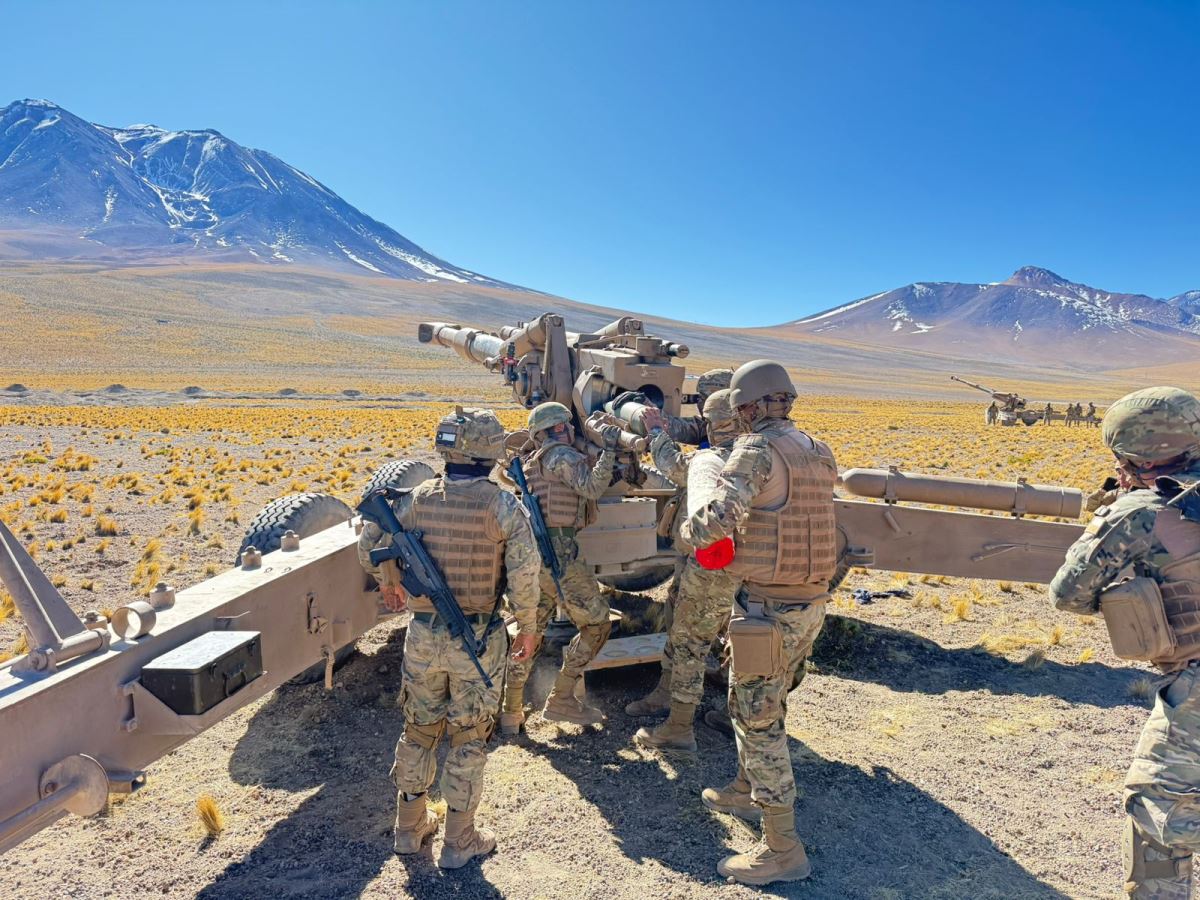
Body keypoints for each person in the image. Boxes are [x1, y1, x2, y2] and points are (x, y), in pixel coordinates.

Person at [357, 407, 540, 868]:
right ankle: (459, 841)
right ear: (490, 452)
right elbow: (524, 575)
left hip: (422, 636)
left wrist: (390, 581)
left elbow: (367, 549)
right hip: (477, 638)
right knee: (468, 735)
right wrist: (529, 626)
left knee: (419, 729)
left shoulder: (417, 498)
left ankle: (408, 829)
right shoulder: (503, 506)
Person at [681, 359, 839, 886]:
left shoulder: (755, 450)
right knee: (759, 702)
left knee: (758, 722)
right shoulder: (816, 448)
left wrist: (689, 529)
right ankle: (746, 789)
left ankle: (782, 849)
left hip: (768, 609)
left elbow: (718, 520)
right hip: (808, 602)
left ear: (746, 407)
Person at [1048, 387, 1200, 899]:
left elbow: (1068, 594)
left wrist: (1109, 521)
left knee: (1160, 810)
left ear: (1138, 456)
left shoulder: (1142, 510)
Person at [632, 389, 745, 751]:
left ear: (714, 424)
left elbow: (677, 467)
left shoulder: (717, 459)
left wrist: (656, 431)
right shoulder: (759, 458)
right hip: (726, 566)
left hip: (710, 567)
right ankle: (679, 697)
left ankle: (679, 729)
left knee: (689, 641)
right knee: (722, 632)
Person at [499, 401, 620, 732]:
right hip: (561, 555)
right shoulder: (560, 455)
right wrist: (610, 450)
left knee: (530, 632)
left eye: (567, 426)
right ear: (552, 431)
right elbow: (592, 487)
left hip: (534, 557)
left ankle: (510, 711)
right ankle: (562, 698)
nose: (567, 431)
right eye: (562, 426)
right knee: (597, 625)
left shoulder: (532, 461)